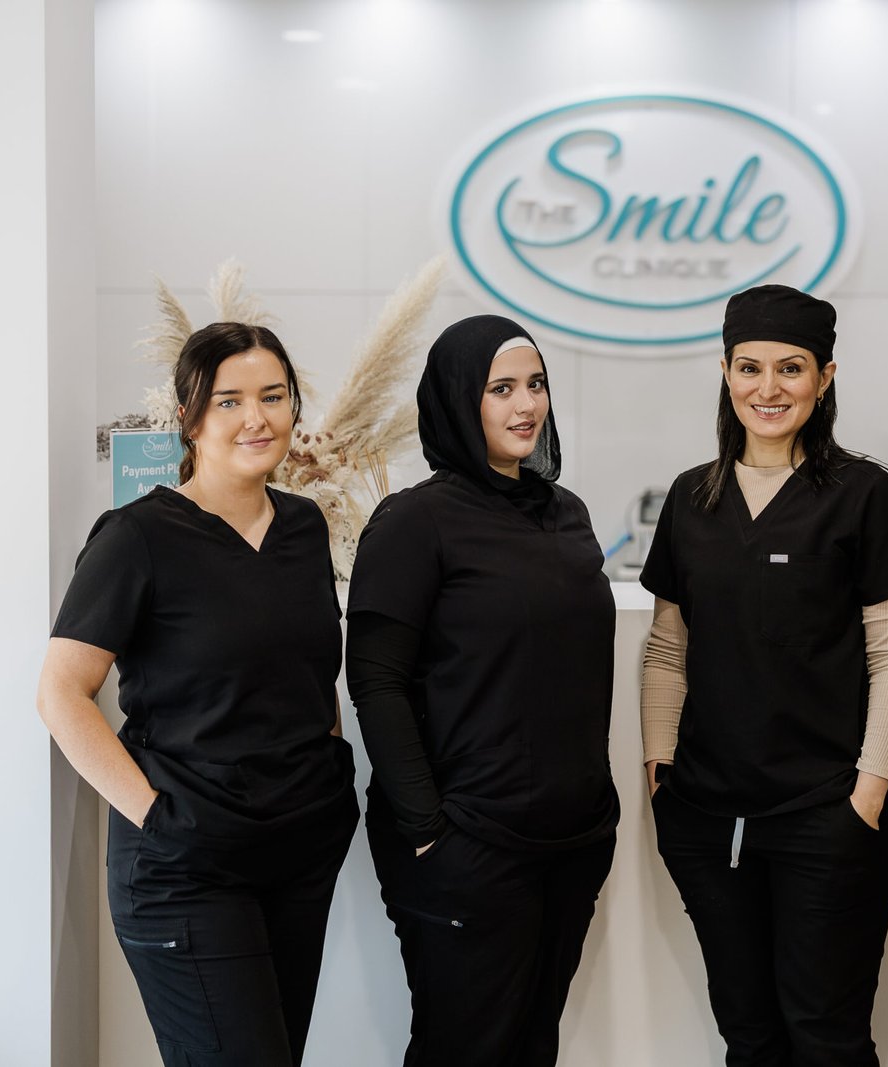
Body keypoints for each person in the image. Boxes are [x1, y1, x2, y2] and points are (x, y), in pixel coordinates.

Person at [37, 322, 358, 1065]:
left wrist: (328, 777)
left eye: (273, 396)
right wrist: (158, 816)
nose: (257, 418)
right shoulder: (137, 536)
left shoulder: (305, 526)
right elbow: (61, 692)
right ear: (189, 415)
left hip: (298, 852)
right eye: (229, 401)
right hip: (186, 866)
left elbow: (309, 674)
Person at [639, 284, 888, 1066]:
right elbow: (667, 648)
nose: (768, 388)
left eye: (791, 368)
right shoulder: (691, 498)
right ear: (726, 373)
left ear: (824, 378)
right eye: (750, 367)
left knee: (827, 1039)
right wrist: (660, 771)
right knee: (749, 1037)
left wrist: (867, 793)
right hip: (708, 818)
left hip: (826, 815)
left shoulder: (863, 495)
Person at [344, 314, 618, 1067]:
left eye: (536, 385)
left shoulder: (567, 513)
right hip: (466, 846)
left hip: (571, 842)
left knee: (532, 1048)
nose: (526, 405)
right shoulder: (414, 521)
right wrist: (429, 830)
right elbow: (375, 680)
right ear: (459, 399)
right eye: (501, 388)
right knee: (464, 1050)